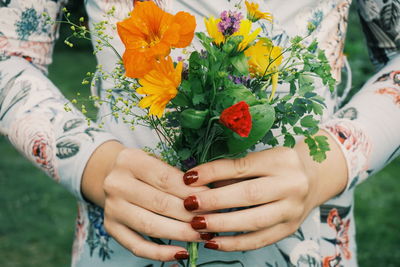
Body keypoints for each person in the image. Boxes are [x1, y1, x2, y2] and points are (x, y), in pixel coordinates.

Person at [0, 0, 399, 266]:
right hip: (124, 236)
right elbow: (7, 56)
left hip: (305, 238)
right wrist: (92, 165)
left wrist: (328, 164)